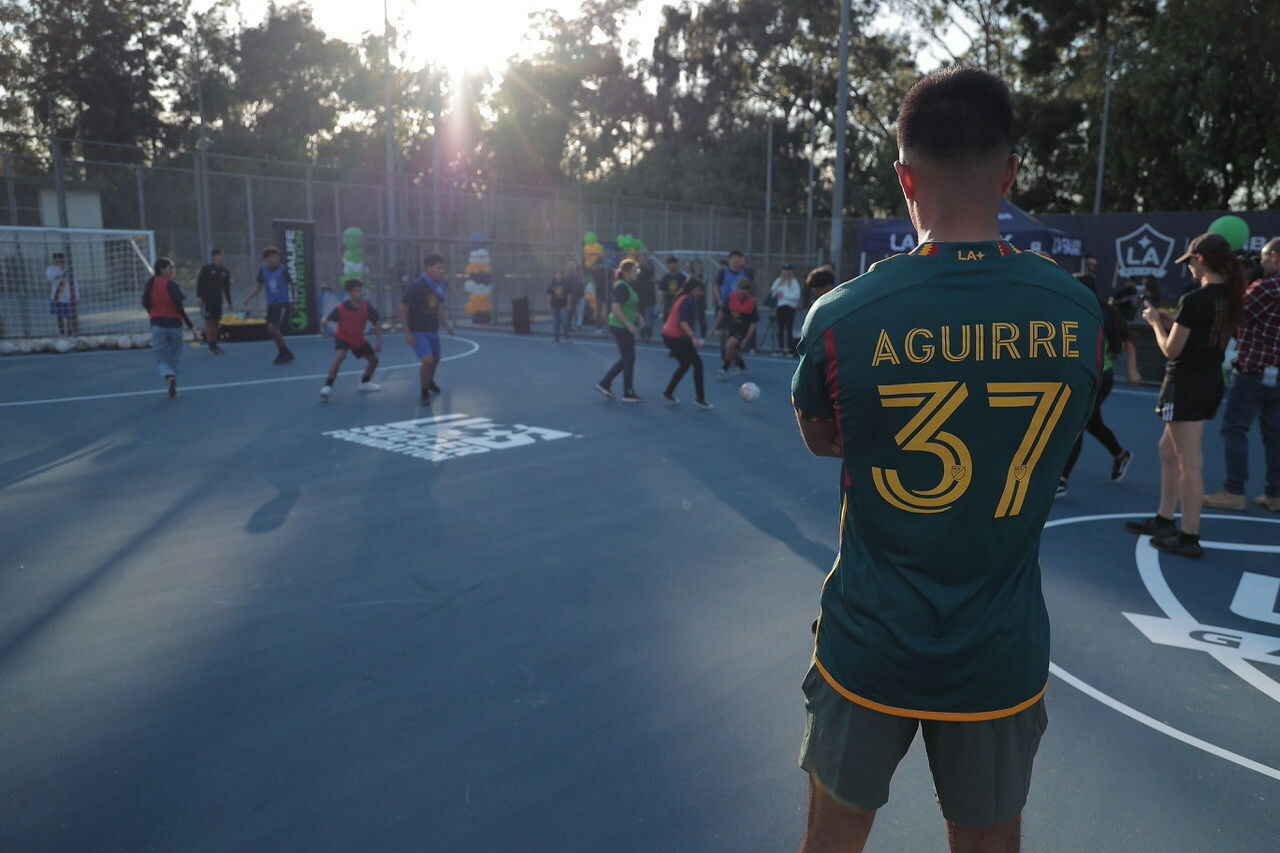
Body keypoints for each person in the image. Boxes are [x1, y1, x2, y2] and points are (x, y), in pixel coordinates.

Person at [791, 67, 1101, 852]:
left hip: (870, 639)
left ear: (904, 178)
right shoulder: (1075, 310)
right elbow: (1063, 432)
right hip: (998, 647)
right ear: (1009, 172)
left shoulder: (844, 315)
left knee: (832, 836)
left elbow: (824, 438)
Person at [1124, 232, 1244, 557]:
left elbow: (1171, 350)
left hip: (1186, 386)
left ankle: (1190, 536)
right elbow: (1205, 330)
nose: (1188, 267)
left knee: (1189, 463)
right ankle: (1165, 519)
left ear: (1201, 261)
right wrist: (1173, 320)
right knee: (1167, 451)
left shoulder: (1196, 300)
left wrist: (1154, 323)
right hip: (1207, 383)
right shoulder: (1229, 297)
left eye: (1190, 261)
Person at [1203, 236, 1280, 512]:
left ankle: (1233, 490)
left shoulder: (1266, 288)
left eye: (1263, 257)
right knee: (1274, 435)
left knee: (1234, 429)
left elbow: (1234, 316)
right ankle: (1275, 493)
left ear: (1275, 257)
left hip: (1253, 372)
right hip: (1277, 375)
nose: (1260, 262)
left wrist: (1240, 286)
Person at [1056, 286, 1141, 497]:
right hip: (1094, 377)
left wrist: (1132, 371)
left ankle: (1061, 479)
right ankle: (1120, 455)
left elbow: (1128, 341)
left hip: (1098, 378)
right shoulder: (1088, 310)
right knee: (1092, 422)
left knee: (1079, 423)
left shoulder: (1096, 314)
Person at [400, 253, 455, 406]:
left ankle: (429, 381)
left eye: (443, 268)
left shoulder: (437, 286)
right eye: (438, 268)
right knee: (427, 360)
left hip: (432, 328)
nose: (441, 271)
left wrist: (447, 325)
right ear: (428, 268)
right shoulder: (417, 286)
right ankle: (424, 391)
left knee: (436, 360)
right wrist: (407, 333)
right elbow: (403, 309)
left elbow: (436, 308)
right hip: (417, 329)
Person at [141, 257, 197, 398]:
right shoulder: (171, 285)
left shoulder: (150, 284)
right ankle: (173, 380)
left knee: (161, 355)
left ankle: (168, 376)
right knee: (174, 356)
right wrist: (191, 326)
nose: (173, 270)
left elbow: (145, 303)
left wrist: (153, 315)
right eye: (170, 267)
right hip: (174, 326)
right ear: (162, 269)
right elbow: (180, 308)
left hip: (157, 325)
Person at [320, 279, 382, 399]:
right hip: (343, 337)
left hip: (358, 339)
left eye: (360, 290)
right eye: (356, 291)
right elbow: (326, 319)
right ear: (349, 293)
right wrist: (323, 321)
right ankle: (327, 386)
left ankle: (364, 382)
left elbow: (375, 324)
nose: (359, 293)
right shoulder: (341, 308)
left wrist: (378, 342)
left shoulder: (367, 306)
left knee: (374, 361)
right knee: (340, 356)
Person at [594, 258, 644, 402]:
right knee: (628, 359)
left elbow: (629, 307)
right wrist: (629, 324)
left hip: (624, 327)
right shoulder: (622, 286)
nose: (636, 273)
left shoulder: (628, 285)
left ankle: (606, 384)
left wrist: (639, 316)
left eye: (637, 270)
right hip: (620, 327)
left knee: (628, 359)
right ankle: (626, 392)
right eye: (635, 271)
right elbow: (616, 308)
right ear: (626, 272)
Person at [660, 278, 713, 409]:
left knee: (685, 365)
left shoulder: (682, 297)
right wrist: (693, 337)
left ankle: (668, 392)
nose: (701, 293)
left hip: (668, 336)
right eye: (700, 290)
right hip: (676, 338)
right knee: (698, 364)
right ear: (694, 289)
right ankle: (700, 399)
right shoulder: (688, 300)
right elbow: (682, 321)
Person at [241, 246, 295, 364]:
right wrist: (249, 297)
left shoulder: (283, 270)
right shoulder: (263, 271)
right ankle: (285, 352)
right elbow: (259, 287)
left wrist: (292, 300)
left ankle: (284, 352)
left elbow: (292, 285)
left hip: (281, 303)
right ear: (266, 259)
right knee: (272, 329)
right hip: (271, 304)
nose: (275, 259)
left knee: (272, 328)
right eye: (272, 257)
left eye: (276, 257)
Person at [712, 278, 757, 380]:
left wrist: (746, 340)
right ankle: (742, 367)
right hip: (733, 328)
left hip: (744, 330)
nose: (743, 291)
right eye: (741, 289)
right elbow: (722, 312)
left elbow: (753, 324)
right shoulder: (731, 297)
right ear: (738, 288)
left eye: (745, 289)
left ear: (749, 290)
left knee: (730, 345)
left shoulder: (751, 303)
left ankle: (723, 370)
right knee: (734, 350)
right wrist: (714, 327)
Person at [195, 248, 233, 355]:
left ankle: (215, 344)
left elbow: (226, 288)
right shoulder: (206, 269)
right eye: (220, 255)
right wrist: (199, 298)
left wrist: (229, 302)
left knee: (216, 322)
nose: (222, 257)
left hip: (218, 301)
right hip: (207, 301)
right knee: (208, 322)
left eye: (222, 255)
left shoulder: (225, 271)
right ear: (214, 257)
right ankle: (210, 345)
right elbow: (200, 284)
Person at [770, 263, 801, 355]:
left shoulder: (794, 282)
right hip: (780, 307)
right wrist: (776, 293)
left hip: (789, 307)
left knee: (788, 328)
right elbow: (772, 293)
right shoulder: (778, 281)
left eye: (788, 270)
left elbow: (796, 296)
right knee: (780, 328)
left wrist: (785, 295)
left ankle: (789, 348)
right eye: (784, 270)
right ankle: (780, 348)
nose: (785, 272)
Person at [47, 252, 77, 337]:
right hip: (57, 295)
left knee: (69, 316)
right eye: (56, 260)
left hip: (68, 296)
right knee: (59, 316)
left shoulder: (69, 269)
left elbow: (75, 282)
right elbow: (49, 278)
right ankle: (62, 333)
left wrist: (76, 296)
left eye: (60, 260)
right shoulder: (50, 269)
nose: (59, 262)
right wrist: (59, 269)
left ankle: (70, 333)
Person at [658, 255, 686, 321]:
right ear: (667, 265)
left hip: (679, 306)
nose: (672, 265)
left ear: (677, 265)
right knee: (667, 326)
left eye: (674, 263)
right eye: (670, 264)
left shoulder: (682, 277)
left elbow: (685, 292)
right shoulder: (665, 278)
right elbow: (662, 292)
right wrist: (659, 305)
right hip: (667, 307)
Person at [547, 270, 572, 342]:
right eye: (556, 274)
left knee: (565, 322)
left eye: (559, 274)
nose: (558, 276)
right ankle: (556, 337)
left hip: (564, 305)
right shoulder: (551, 285)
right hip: (555, 306)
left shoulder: (565, 284)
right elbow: (549, 295)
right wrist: (548, 305)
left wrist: (569, 305)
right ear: (554, 276)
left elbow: (569, 295)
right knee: (556, 322)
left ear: (562, 276)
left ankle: (566, 337)